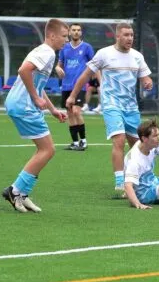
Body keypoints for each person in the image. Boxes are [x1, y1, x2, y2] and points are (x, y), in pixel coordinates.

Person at [66, 23, 153, 196]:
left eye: (132, 35)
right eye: (126, 35)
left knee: (137, 145)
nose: (130, 38)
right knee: (119, 140)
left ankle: (135, 178)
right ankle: (120, 182)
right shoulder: (104, 54)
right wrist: (72, 96)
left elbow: (145, 77)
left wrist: (147, 82)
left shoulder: (137, 56)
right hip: (111, 104)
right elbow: (84, 75)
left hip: (131, 107)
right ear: (117, 36)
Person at [1, 19, 69, 213]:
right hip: (24, 105)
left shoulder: (46, 53)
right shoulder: (46, 52)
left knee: (45, 150)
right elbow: (23, 71)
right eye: (64, 36)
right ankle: (15, 191)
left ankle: (21, 193)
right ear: (52, 35)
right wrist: (33, 97)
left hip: (21, 104)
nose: (66, 40)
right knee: (47, 150)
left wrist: (52, 109)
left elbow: (37, 83)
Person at [55, 23, 94, 150]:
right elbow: (59, 64)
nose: (76, 32)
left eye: (78, 30)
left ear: (81, 32)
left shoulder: (87, 47)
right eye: (74, 30)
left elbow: (94, 65)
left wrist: (95, 78)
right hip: (66, 86)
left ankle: (84, 141)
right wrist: (57, 68)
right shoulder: (64, 48)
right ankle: (75, 143)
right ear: (69, 32)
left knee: (76, 111)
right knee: (70, 114)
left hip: (80, 86)